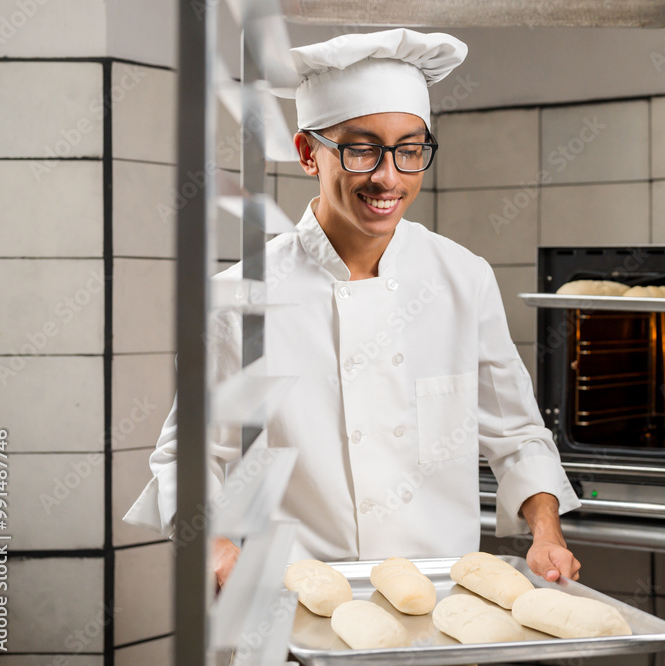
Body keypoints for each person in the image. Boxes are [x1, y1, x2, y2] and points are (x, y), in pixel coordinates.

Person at [125, 28, 581, 587]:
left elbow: (516, 435)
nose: (388, 177)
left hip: (441, 601)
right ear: (306, 154)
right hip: (293, 597)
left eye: (409, 150)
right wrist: (215, 546)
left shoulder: (463, 279)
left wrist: (546, 532)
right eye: (361, 149)